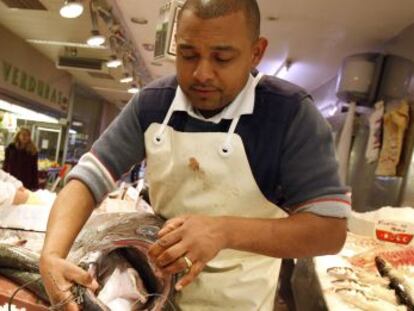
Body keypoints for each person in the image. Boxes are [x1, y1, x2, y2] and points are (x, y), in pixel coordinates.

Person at [40, 0, 351, 309]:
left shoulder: (289, 115)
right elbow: (87, 178)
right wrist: (52, 254)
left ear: (256, 52)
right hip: (155, 293)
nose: (202, 73)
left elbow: (329, 230)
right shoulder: (152, 105)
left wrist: (223, 231)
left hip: (239, 300)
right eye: (188, 55)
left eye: (222, 57)